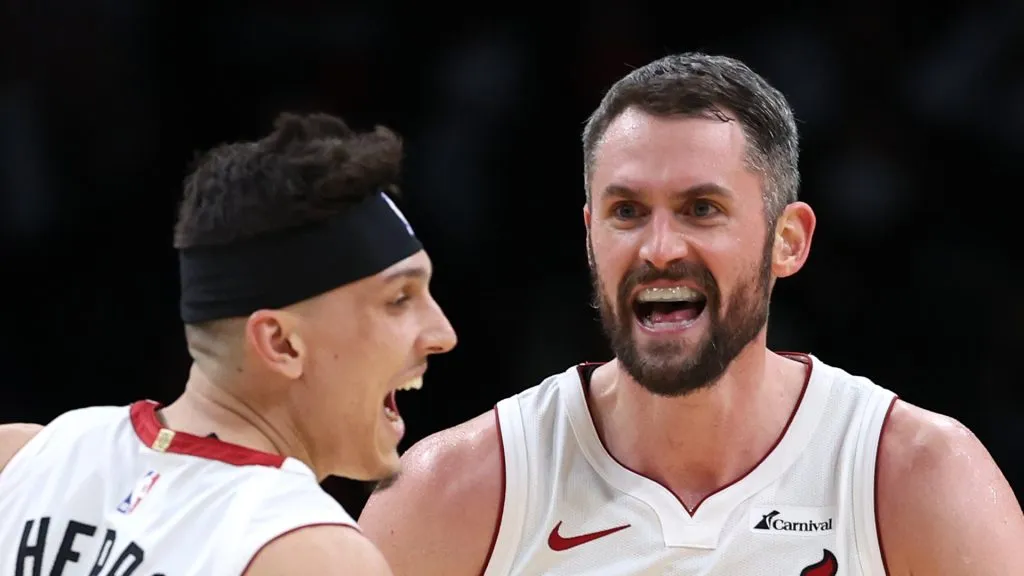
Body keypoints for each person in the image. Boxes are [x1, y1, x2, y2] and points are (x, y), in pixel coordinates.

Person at [357, 53, 1024, 575]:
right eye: (626, 212)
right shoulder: (456, 490)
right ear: (591, 237)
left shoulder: (917, 479)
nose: (660, 248)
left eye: (701, 208)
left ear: (788, 240)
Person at [0, 112, 456, 575]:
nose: (444, 335)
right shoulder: (309, 554)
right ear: (281, 344)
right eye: (399, 299)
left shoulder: (19, 459)